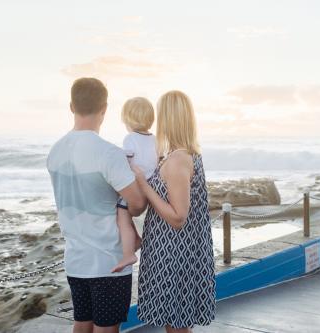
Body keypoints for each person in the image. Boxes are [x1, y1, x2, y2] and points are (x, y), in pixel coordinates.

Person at [46, 78, 146, 333]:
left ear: (71, 106)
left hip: (76, 258)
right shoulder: (108, 153)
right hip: (109, 261)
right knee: (106, 328)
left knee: (82, 323)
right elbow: (136, 204)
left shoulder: (55, 152)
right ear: (104, 108)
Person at [134, 90, 216, 333]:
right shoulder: (181, 155)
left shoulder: (178, 160)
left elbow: (178, 217)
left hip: (174, 254)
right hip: (178, 250)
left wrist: (143, 185)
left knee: (177, 326)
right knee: (178, 324)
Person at [112, 97, 157, 273]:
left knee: (122, 215)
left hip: (137, 185)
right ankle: (136, 238)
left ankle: (129, 253)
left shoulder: (130, 138)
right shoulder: (155, 138)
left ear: (128, 119)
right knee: (127, 215)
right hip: (151, 186)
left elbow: (127, 162)